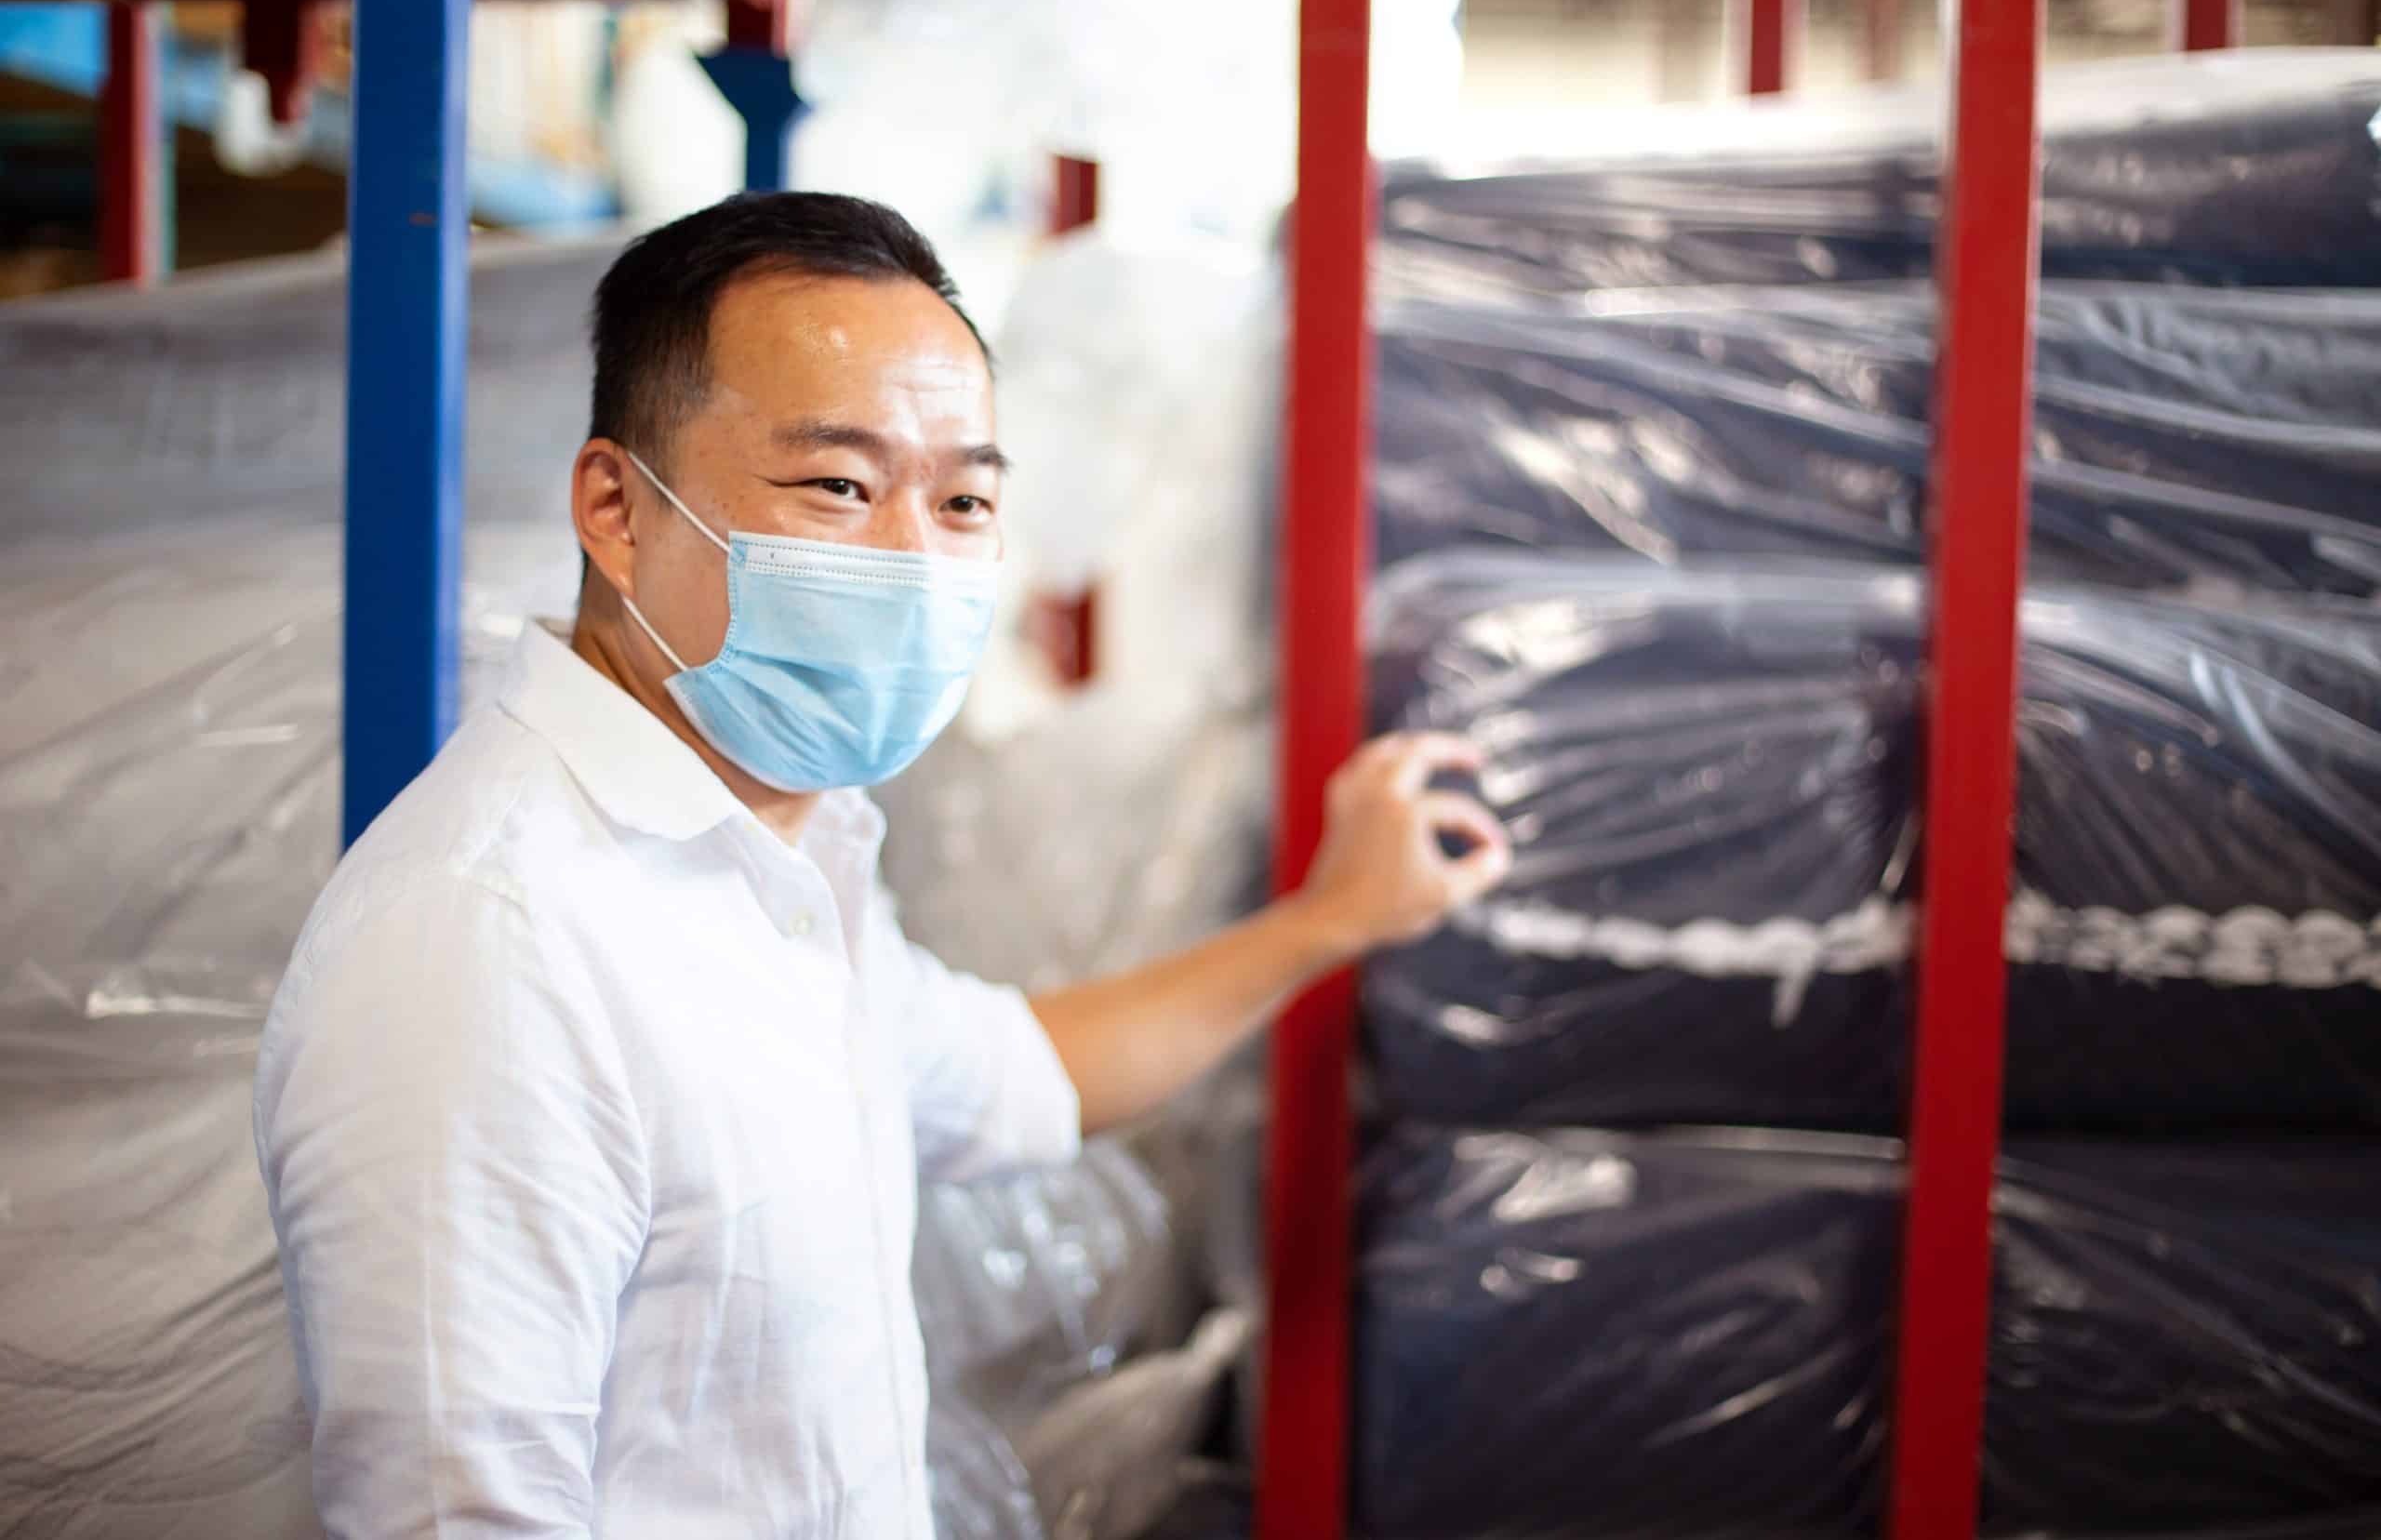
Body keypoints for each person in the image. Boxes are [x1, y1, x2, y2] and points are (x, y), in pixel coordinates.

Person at [253, 192, 1510, 1537]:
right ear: (617, 510)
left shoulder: (778, 863)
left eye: (964, 498)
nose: (918, 562)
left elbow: (1023, 1075)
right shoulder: (489, 944)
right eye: (840, 487)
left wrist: (1332, 918)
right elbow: (458, 1517)